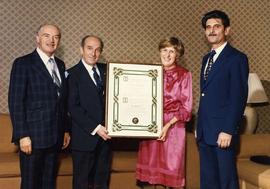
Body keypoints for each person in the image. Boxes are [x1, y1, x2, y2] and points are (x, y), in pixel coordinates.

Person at [8, 24, 71, 189]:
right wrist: (22, 135)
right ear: (37, 38)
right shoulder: (23, 63)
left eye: (56, 37)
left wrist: (64, 130)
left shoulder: (61, 64)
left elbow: (62, 102)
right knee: (30, 183)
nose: (51, 40)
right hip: (33, 138)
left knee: (48, 182)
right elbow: (16, 102)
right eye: (46, 36)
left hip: (55, 137)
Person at [196, 10, 249, 189]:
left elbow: (238, 96)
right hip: (204, 132)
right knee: (208, 181)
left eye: (216, 26)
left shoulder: (237, 58)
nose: (211, 30)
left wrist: (228, 129)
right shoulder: (206, 59)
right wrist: (199, 126)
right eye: (208, 27)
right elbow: (206, 95)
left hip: (222, 133)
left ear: (227, 30)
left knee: (226, 182)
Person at [136, 37, 193, 189]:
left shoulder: (184, 74)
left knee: (171, 172)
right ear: (159, 52)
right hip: (151, 125)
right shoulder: (150, 73)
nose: (167, 55)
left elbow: (186, 109)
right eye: (164, 50)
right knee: (149, 179)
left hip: (173, 128)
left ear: (177, 55)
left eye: (172, 51)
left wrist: (167, 126)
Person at [68, 35, 111, 189]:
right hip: (84, 140)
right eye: (89, 48)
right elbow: (73, 108)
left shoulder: (109, 71)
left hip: (106, 139)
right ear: (81, 50)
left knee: (101, 182)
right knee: (82, 184)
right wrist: (96, 128)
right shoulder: (72, 74)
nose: (93, 53)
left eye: (98, 50)